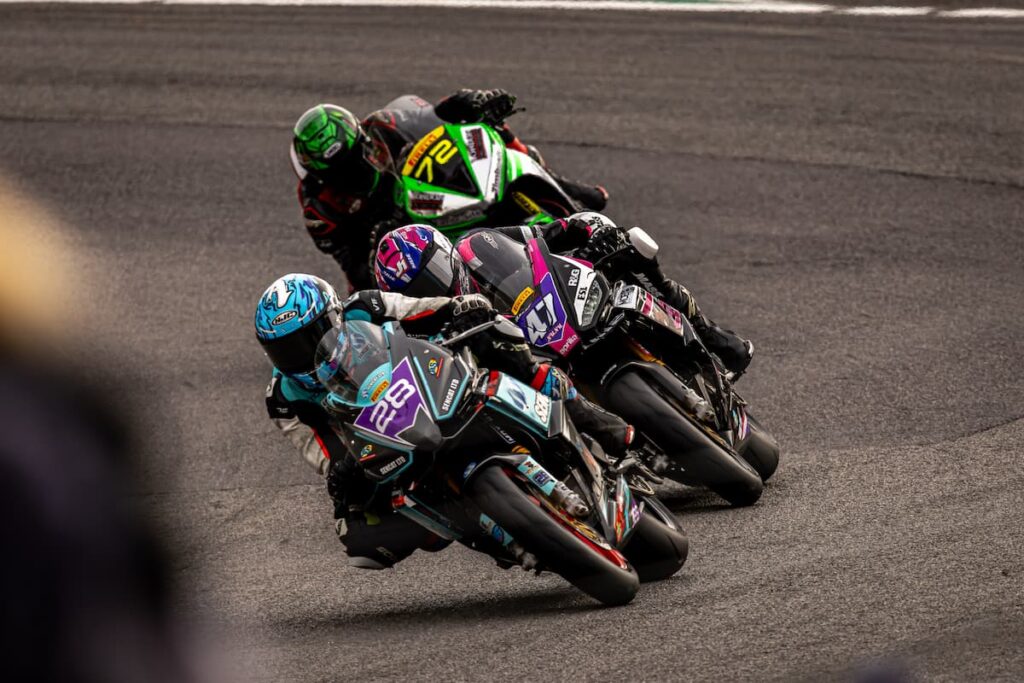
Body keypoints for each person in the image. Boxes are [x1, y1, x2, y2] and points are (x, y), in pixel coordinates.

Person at [254, 273, 633, 570]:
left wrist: (461, 309)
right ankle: (495, 532)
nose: (301, 358)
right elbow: (321, 453)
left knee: (502, 341)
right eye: (285, 351)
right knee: (361, 537)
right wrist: (342, 471)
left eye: (309, 340)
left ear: (333, 316)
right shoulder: (284, 398)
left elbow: (424, 308)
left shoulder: (366, 306)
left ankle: (599, 425)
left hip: (432, 385)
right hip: (380, 443)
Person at [290, 90, 608, 291]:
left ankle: (562, 188)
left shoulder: (380, 126)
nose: (363, 162)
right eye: (346, 169)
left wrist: (466, 101)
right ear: (324, 177)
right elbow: (354, 268)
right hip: (405, 241)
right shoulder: (319, 209)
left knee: (490, 127)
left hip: (431, 193)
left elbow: (433, 115)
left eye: (361, 150)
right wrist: (379, 242)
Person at [373, 215, 755, 377]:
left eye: (433, 274)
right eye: (418, 291)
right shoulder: (425, 336)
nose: (433, 289)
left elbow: (550, 232)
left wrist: (588, 233)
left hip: (561, 313)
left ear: (446, 255)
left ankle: (708, 335)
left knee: (631, 261)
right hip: (528, 368)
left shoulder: (480, 247)